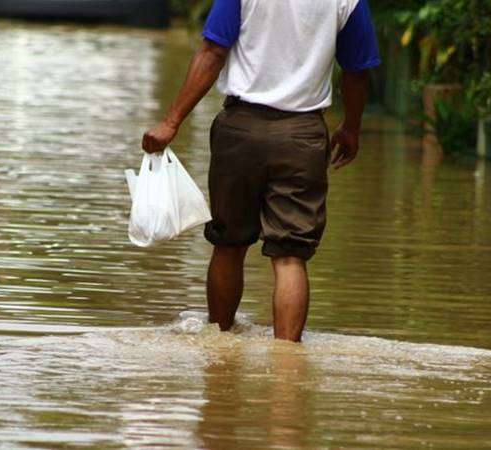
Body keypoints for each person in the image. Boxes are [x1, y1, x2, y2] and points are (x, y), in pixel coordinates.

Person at [141, 0, 380, 342]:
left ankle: (218, 347)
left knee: (229, 243)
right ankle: (287, 360)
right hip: (303, 136)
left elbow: (212, 51)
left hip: (240, 130)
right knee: (290, 256)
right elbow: (357, 71)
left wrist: (171, 122)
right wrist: (351, 128)